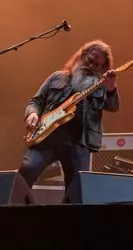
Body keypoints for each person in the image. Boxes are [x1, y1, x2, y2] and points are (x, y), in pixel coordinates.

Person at [18, 40, 120, 195]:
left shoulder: (102, 87)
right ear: (81, 56)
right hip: (46, 138)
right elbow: (36, 101)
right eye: (89, 60)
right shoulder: (57, 77)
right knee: (27, 169)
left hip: (78, 142)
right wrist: (32, 114)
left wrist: (111, 88)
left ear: (103, 67)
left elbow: (113, 107)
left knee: (76, 188)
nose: (90, 65)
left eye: (96, 64)